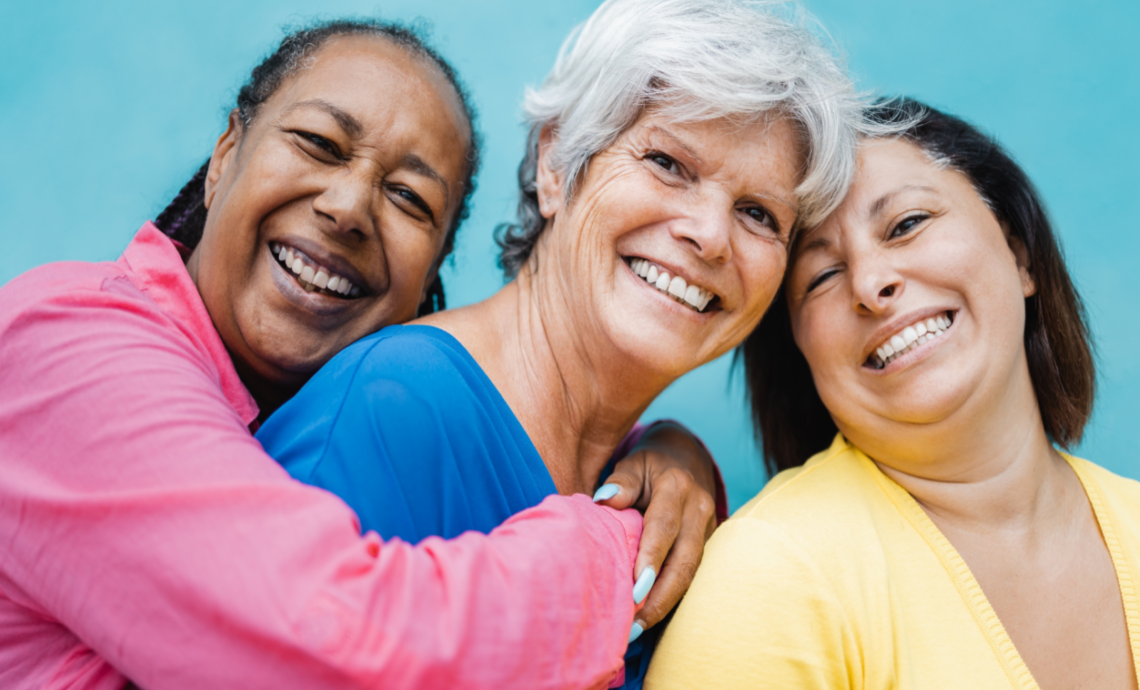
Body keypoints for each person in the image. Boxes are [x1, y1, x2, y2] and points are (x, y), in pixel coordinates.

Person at [0, 19, 716, 690]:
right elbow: (323, 643)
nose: (347, 208)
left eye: (407, 197)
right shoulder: (64, 341)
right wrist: (622, 541)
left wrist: (663, 454)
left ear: (429, 279)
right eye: (318, 143)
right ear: (225, 156)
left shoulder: (329, 410)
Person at [256, 1, 866, 686]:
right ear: (556, 162)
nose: (709, 234)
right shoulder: (393, 406)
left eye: (758, 213)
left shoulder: (658, 479)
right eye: (667, 162)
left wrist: (677, 453)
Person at [645, 99, 1140, 689]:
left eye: (907, 224)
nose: (871, 284)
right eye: (822, 276)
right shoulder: (771, 574)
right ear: (798, 348)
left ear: (1017, 252)